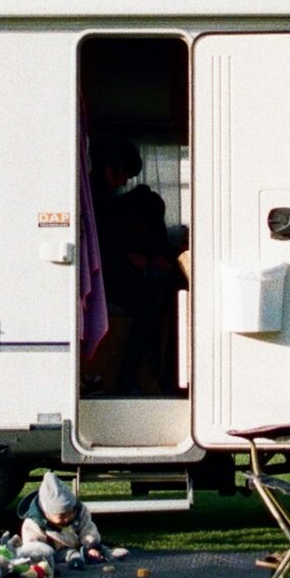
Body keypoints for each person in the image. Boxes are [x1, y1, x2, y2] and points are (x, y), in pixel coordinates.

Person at [90, 136, 185, 394]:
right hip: (105, 277)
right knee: (154, 297)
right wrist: (129, 258)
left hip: (115, 271)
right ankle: (131, 374)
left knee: (166, 292)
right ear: (112, 168)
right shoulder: (96, 198)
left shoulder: (105, 196)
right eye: (124, 175)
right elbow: (102, 244)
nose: (124, 182)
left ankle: (160, 371)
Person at [17, 470, 125, 568]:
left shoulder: (80, 511)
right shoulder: (34, 524)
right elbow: (33, 547)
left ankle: (107, 553)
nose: (67, 518)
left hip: (81, 543)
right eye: (62, 516)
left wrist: (91, 545)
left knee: (96, 547)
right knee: (68, 553)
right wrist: (40, 561)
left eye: (70, 513)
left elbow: (88, 528)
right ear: (47, 513)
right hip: (56, 551)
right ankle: (76, 559)